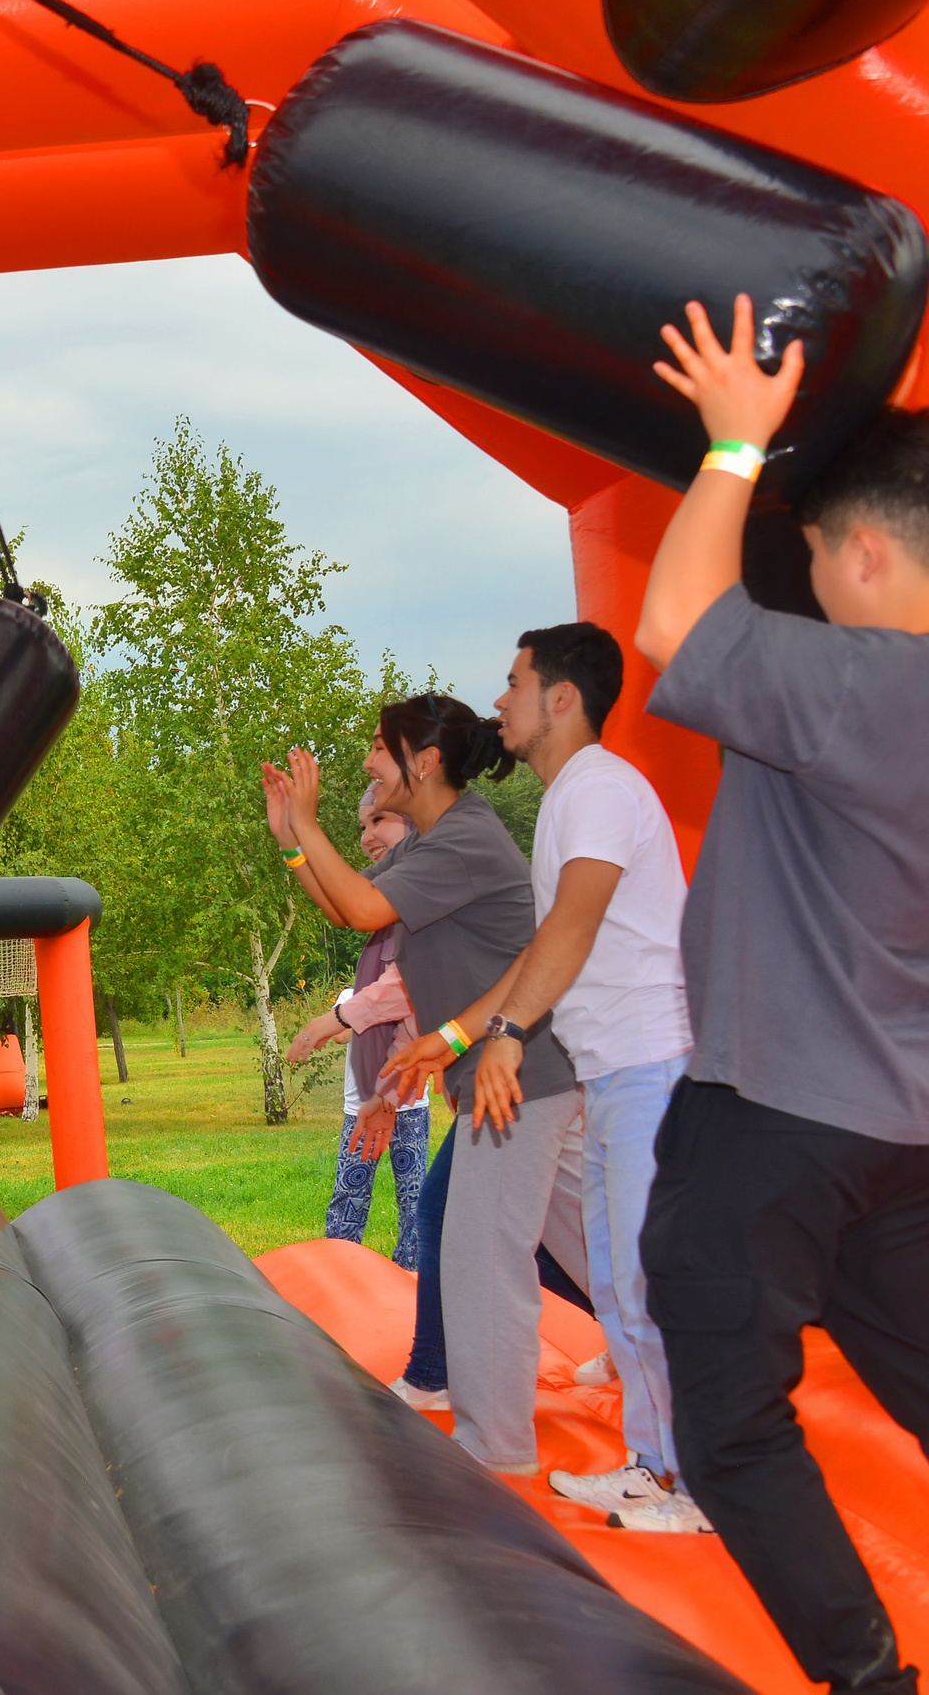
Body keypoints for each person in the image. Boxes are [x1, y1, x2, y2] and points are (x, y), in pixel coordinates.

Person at [623, 297, 929, 1690]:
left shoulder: (872, 683)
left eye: (812, 559)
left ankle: (868, 1679)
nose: (805, 582)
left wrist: (736, 446)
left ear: (866, 551)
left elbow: (677, 621)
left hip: (776, 1117)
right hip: (899, 1133)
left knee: (733, 1419)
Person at [384, 622, 702, 1533]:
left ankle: (697, 1482)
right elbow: (537, 951)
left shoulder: (598, 787)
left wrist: (511, 1035)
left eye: (514, 682)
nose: (501, 700)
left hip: (650, 1065)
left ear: (561, 697)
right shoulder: (569, 798)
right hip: (610, 1076)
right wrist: (456, 1036)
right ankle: (656, 1464)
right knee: (616, 1277)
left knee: (646, 1278)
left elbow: (573, 924)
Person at [266, 698, 585, 1478]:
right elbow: (352, 909)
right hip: (511, 1078)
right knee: (590, 1244)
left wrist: (309, 824)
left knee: (484, 1257)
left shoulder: (466, 837)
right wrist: (293, 846)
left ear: (425, 761)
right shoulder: (437, 842)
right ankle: (652, 1378)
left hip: (523, 1075)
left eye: (380, 747)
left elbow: (365, 905)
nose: (370, 762)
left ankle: (495, 1446)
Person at [282, 785, 430, 1271]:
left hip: (413, 1098)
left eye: (379, 821)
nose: (367, 837)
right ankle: (343, 1267)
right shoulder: (388, 901)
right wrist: (292, 847)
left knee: (420, 1199)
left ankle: (413, 1270)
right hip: (377, 1100)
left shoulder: (426, 893)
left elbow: (408, 987)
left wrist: (337, 1017)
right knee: (353, 1191)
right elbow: (341, 904)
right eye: (362, 826)